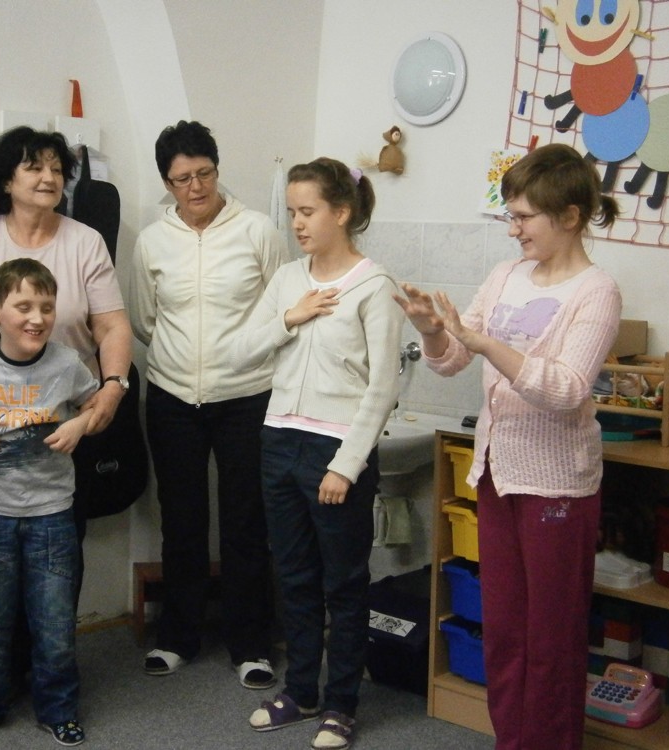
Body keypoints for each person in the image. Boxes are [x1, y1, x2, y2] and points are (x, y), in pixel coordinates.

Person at [395, 143, 622, 750]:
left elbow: (566, 390)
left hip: (557, 486)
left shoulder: (597, 291)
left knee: (551, 640)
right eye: (510, 215)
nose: (513, 229)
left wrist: (486, 344)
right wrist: (430, 330)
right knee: (503, 633)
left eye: (523, 217)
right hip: (498, 475)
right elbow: (451, 358)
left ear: (570, 216)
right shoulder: (504, 276)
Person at [0, 127, 132, 680]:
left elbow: (112, 326)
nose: (49, 177)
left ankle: (49, 669)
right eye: (34, 166)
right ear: (6, 180)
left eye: (56, 168)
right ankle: (1, 670)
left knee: (59, 552)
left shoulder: (85, 242)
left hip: (67, 425)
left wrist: (112, 385)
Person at [234, 157, 402, 750]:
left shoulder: (374, 287)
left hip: (335, 450)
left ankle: (341, 706)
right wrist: (291, 316)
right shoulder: (288, 279)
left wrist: (345, 466)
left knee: (344, 585)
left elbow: (383, 387)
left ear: (342, 212)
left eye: (308, 212)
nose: (297, 223)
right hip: (279, 441)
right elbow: (244, 350)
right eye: (292, 212)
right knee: (294, 577)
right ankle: (301, 691)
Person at [128, 120, 287, 688]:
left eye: (204, 173)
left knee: (246, 520)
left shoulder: (258, 230)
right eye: (182, 179)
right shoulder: (152, 242)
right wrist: (183, 362)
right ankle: (178, 637)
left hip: (247, 395)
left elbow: (280, 311)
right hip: (172, 397)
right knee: (182, 520)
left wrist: (233, 360)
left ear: (217, 171)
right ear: (166, 184)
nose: (195, 187)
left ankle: (251, 644)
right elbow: (145, 320)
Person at [0, 258, 95, 745]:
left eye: (47, 307)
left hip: (53, 515)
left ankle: (58, 708)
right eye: (24, 306)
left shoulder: (67, 363)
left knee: (54, 623)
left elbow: (95, 402)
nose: (37, 318)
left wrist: (79, 424)